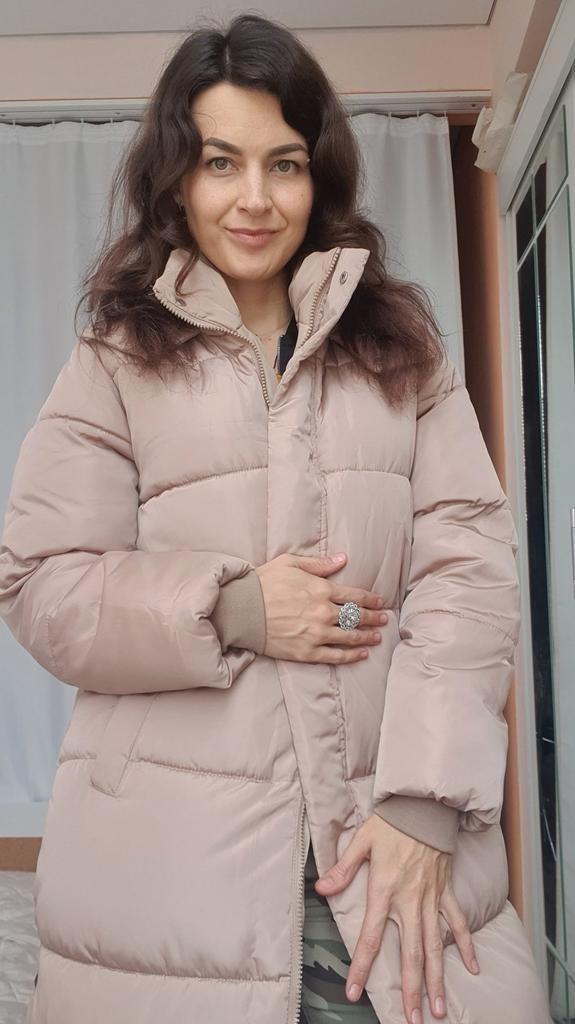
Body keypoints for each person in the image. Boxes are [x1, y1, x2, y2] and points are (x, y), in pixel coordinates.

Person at [0, 13, 551, 1024]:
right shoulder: (114, 360)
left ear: (317, 176)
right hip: (168, 858)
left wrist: (424, 802)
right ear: (176, 179)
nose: (253, 198)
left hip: (386, 833)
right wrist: (234, 609)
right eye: (220, 162)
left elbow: (468, 569)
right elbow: (40, 583)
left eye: (283, 164)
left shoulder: (401, 350)